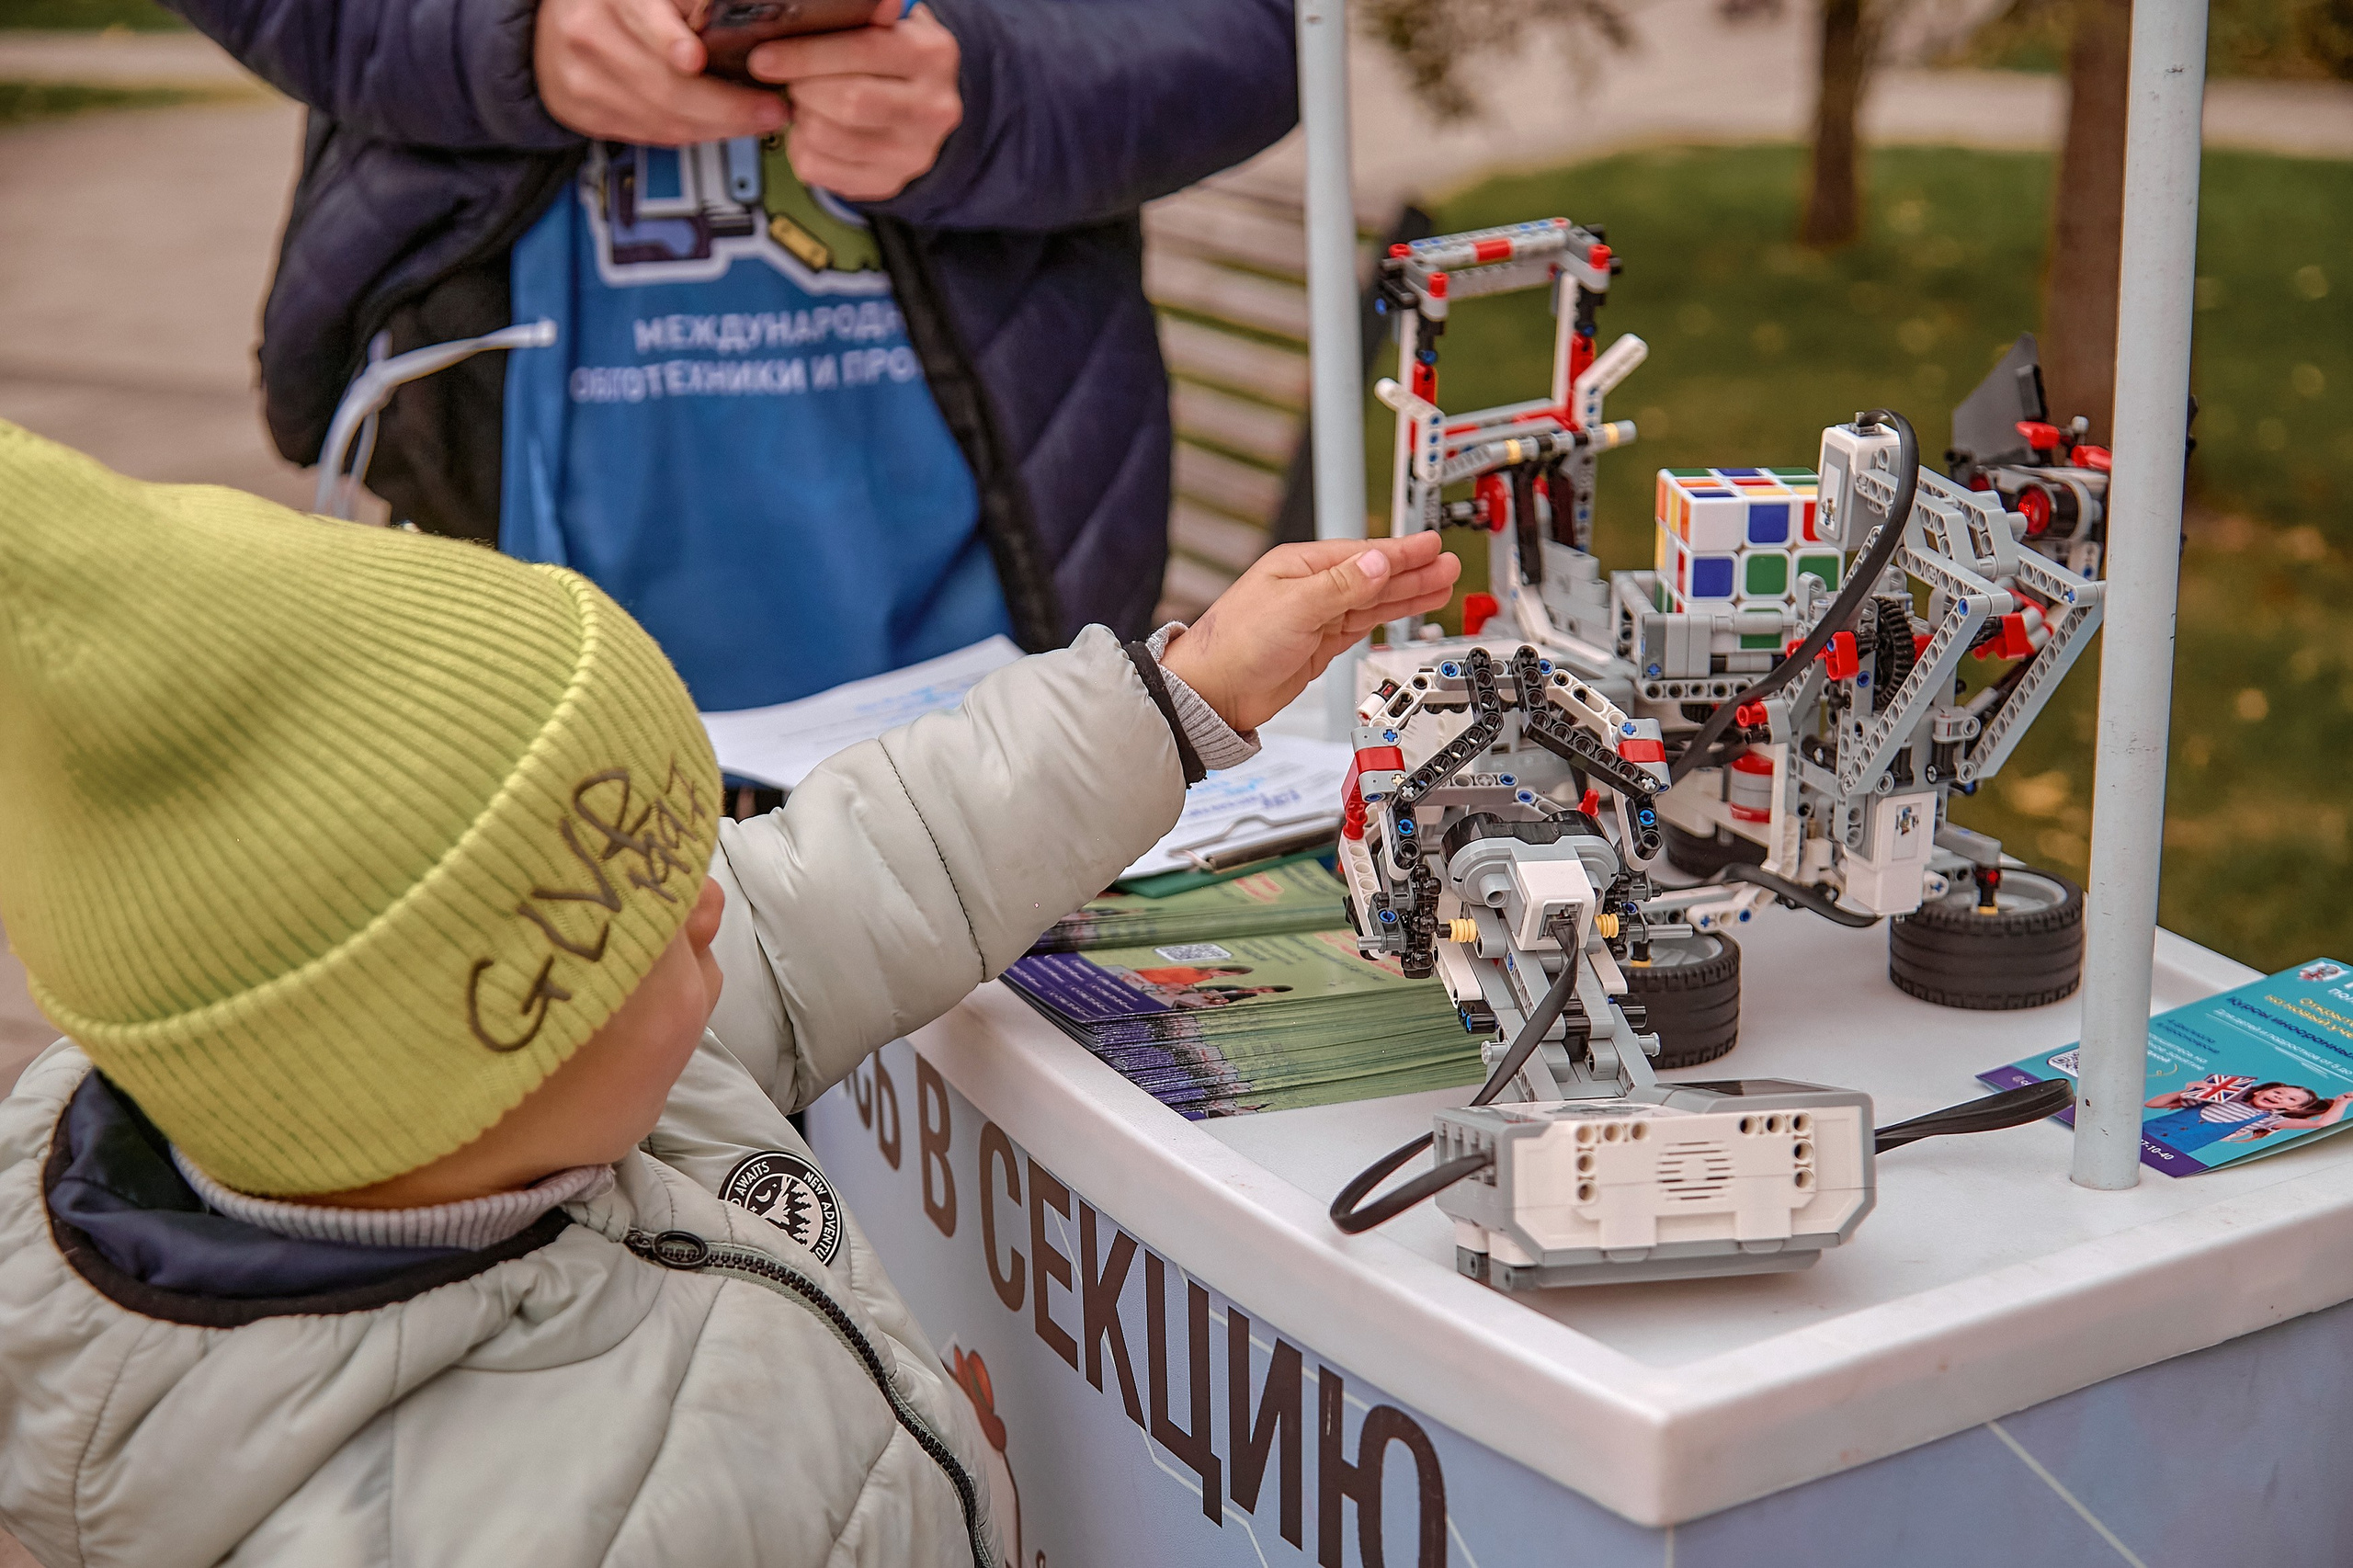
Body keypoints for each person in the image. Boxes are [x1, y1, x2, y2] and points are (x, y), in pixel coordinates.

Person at [0, 422, 1457, 1565]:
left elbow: (849, 877)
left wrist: (1177, 699)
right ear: (452, 1068)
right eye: (637, 908)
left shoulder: (526, 1095)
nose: (706, 898)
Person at [164, 0, 1299, 715]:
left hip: (988, 601)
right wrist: (498, 33)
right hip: (498, 558)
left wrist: (990, 89)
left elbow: (1258, 33)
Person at [2142, 1080, 2353, 1156]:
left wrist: (2341, 1102)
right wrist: (2188, 1090)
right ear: (2259, 1091)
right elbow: (2152, 1104)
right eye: (2278, 1092)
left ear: (2294, 1108)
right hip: (2143, 1134)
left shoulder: (2267, 1119)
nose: (2280, 1097)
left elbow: (2321, 1123)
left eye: (2291, 1099)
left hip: (2169, 1151)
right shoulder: (2222, 1098)